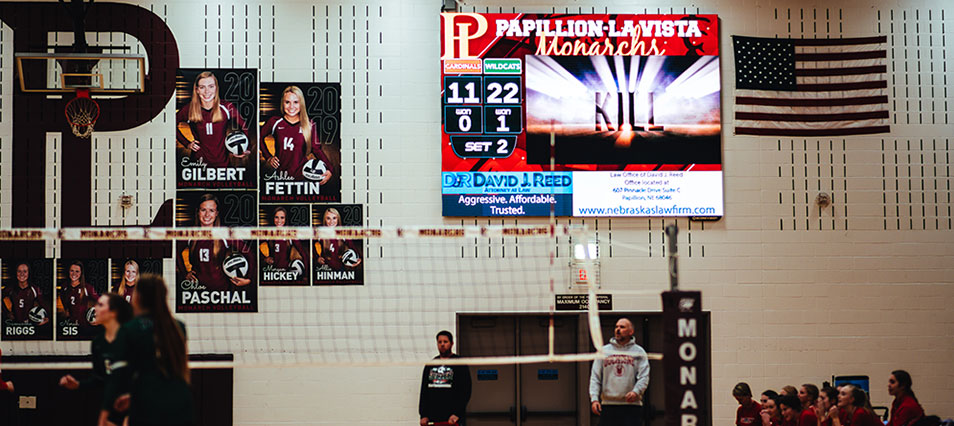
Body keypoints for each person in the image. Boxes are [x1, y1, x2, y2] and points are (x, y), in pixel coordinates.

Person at [104, 274, 193, 426]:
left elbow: (122, 375)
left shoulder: (129, 329)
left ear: (137, 298)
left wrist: (113, 415)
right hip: (180, 401)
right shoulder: (179, 327)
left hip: (146, 406)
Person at [59, 293, 133, 426]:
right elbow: (100, 378)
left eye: (100, 305)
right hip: (112, 406)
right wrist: (78, 384)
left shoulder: (130, 337)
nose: (95, 309)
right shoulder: (98, 343)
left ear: (113, 312)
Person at [177, 194, 252, 291]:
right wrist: (184, 273)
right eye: (203, 210)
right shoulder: (190, 234)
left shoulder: (225, 233)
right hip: (196, 290)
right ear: (198, 212)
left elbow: (249, 254)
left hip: (222, 290)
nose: (207, 215)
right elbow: (175, 251)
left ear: (216, 213)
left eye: (211, 210)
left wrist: (248, 279)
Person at [175, 71, 250, 167]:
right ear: (197, 90)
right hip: (198, 162)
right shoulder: (189, 109)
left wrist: (244, 147)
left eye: (211, 86)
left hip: (223, 162)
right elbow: (171, 124)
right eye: (202, 87)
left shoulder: (227, 107)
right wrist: (186, 143)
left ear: (216, 88)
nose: (207, 91)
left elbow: (243, 125)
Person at [260, 86, 333, 183]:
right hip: (280, 175)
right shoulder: (274, 122)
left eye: (295, 102)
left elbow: (316, 149)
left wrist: (330, 169)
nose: (291, 106)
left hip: (303, 175)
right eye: (287, 102)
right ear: (282, 103)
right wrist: (268, 157)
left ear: (301, 103)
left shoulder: (309, 124)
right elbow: (259, 137)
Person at [589, 318, 650, 426]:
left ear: (631, 332)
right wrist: (594, 399)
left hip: (631, 406)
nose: (618, 329)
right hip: (608, 406)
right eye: (616, 327)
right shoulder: (603, 351)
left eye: (622, 327)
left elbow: (644, 376)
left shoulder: (639, 352)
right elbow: (595, 377)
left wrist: (636, 391)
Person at [419, 330, 471, 426]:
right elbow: (424, 391)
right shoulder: (431, 364)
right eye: (440, 342)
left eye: (445, 342)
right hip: (434, 417)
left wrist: (457, 413)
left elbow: (465, 391)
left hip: (453, 418)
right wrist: (423, 414)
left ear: (451, 344)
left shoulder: (459, 363)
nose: (442, 344)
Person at [58, 261, 99, 329]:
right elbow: (63, 300)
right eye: (72, 271)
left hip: (84, 324)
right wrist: (66, 310)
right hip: (69, 324)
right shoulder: (64, 287)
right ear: (68, 272)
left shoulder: (87, 287)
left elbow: (100, 301)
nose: (74, 274)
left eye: (77, 271)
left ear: (81, 273)